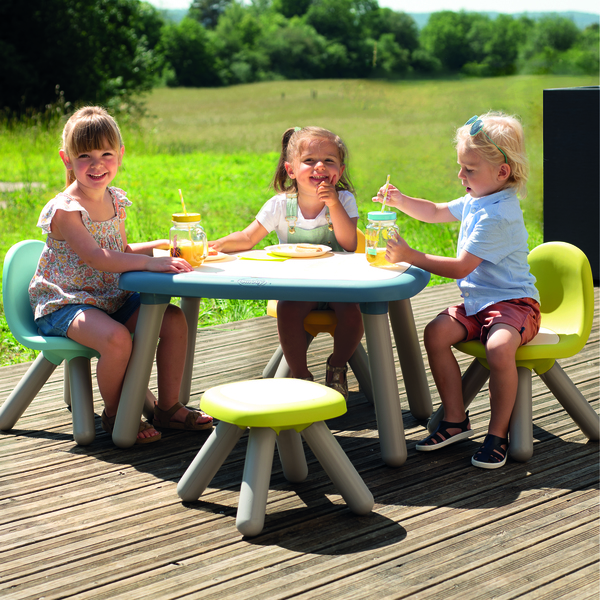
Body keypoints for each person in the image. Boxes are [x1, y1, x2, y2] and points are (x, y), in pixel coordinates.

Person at [29, 106, 213, 444]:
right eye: (84, 155)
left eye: (106, 153)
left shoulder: (115, 199)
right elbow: (98, 258)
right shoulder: (66, 209)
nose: (97, 164)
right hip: (65, 303)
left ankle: (169, 407)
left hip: (111, 298)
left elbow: (122, 251)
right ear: (66, 159)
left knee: (172, 321)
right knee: (117, 339)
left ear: (120, 154)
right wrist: (150, 264)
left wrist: (164, 247)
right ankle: (117, 412)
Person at [373, 112, 541, 469]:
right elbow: (434, 211)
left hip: (515, 304)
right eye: (460, 166)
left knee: (498, 349)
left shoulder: (499, 214)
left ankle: (498, 434)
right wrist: (401, 200)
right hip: (479, 302)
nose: (460, 175)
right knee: (435, 333)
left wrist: (411, 256)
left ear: (502, 172)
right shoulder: (479, 199)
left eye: (469, 169)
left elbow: (461, 267)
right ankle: (455, 420)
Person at [210, 126, 364, 398]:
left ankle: (337, 364)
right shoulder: (280, 205)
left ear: (338, 171)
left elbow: (350, 244)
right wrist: (217, 244)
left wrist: (334, 205)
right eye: (309, 161)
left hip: (338, 283)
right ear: (291, 170)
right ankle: (301, 375)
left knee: (353, 316)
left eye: (329, 160)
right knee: (288, 312)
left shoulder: (344, 200)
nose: (320, 166)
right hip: (297, 285)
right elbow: (248, 237)